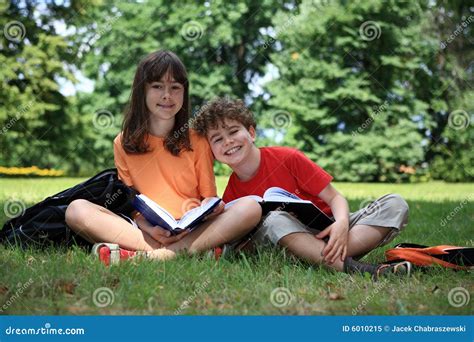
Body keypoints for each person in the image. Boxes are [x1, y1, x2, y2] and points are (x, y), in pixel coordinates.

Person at [65, 51, 261, 261]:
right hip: (147, 232)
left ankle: (146, 256)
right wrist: (149, 227)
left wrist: (211, 207)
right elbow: (131, 203)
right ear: (142, 91)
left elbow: (209, 197)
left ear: (184, 93)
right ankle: (191, 252)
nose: (167, 95)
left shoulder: (197, 139)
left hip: (192, 229)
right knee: (76, 210)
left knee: (250, 208)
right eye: (157, 86)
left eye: (175, 87)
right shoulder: (123, 142)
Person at [193, 97, 411, 278]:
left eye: (233, 132)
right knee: (275, 220)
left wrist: (342, 224)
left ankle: (318, 256)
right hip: (287, 238)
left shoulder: (288, 158)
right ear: (211, 151)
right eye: (217, 139)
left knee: (394, 204)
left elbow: (335, 198)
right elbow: (234, 243)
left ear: (251, 133)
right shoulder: (233, 192)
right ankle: (357, 268)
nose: (228, 142)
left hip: (330, 230)